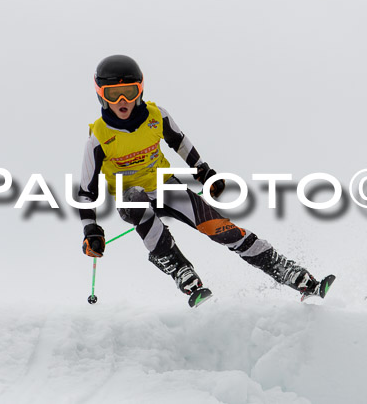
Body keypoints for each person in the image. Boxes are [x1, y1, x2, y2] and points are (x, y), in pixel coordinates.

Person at [78, 54, 334, 306]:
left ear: (140, 90)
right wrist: (90, 229)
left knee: (220, 229)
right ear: (101, 95)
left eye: (129, 92)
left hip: (166, 187)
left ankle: (292, 274)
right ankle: (180, 270)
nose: (122, 101)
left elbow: (179, 142)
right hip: (131, 197)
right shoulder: (98, 138)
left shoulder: (156, 116)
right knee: (135, 198)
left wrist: (204, 171)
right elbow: (86, 191)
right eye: (113, 94)